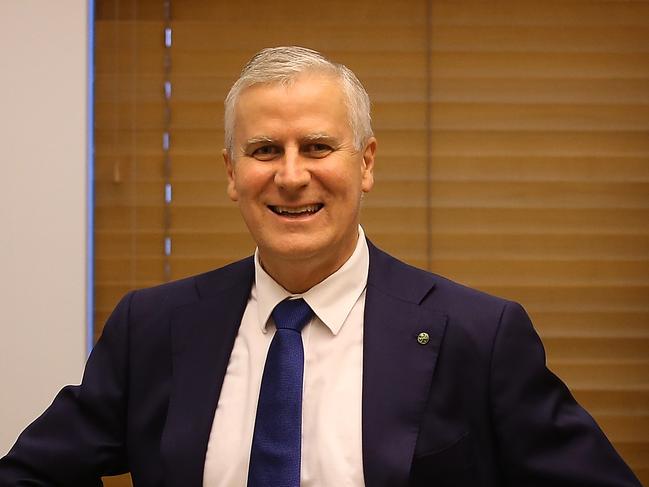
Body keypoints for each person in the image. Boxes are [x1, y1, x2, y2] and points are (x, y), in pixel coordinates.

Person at [0, 46, 641, 487]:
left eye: (317, 146)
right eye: (262, 150)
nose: (290, 175)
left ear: (364, 164)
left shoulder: (479, 335)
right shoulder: (154, 328)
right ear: (231, 174)